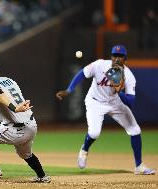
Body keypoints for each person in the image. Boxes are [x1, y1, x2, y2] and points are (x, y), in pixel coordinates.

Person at [56, 45, 156, 175]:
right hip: (95, 102)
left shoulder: (129, 76)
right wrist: (69, 90)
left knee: (135, 130)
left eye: (120, 56)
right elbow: (82, 73)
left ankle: (139, 166)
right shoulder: (100, 65)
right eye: (115, 56)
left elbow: (131, 102)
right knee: (94, 133)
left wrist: (119, 91)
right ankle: (84, 149)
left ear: (125, 59)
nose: (117, 59)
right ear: (111, 57)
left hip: (115, 102)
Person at [0, 58, 51, 183]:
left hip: (17, 130)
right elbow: (10, 98)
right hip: (31, 125)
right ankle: (42, 176)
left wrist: (15, 108)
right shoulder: (8, 80)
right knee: (24, 154)